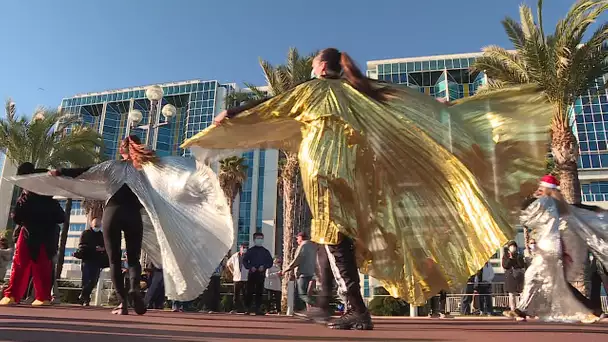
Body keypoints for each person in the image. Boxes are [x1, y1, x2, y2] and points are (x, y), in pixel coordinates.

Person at [181, 47, 554, 329]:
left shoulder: (314, 89)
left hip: (322, 162)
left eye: (312, 65)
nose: (311, 69)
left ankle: (355, 307)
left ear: (320, 68)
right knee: (329, 231)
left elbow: (273, 105)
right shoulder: (355, 91)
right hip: (349, 164)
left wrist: (235, 112)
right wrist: (439, 110)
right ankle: (328, 301)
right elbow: (399, 103)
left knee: (331, 232)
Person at [10, 134, 234, 315]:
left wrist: (58, 172)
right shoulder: (146, 170)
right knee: (134, 258)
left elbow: (83, 172)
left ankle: (122, 304)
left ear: (122, 151)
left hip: (113, 213)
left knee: (115, 259)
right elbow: (172, 181)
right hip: (133, 215)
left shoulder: (110, 166)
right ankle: (135, 288)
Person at [504, 175, 602, 323]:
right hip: (549, 247)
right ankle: (522, 310)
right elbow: (574, 209)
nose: (538, 190)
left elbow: (527, 207)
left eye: (541, 188)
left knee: (535, 276)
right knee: (549, 281)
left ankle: (589, 310)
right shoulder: (554, 203)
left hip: (549, 248)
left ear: (548, 189)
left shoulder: (548, 202)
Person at [0, 163, 65, 306]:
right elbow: (61, 217)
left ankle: (12, 295)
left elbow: (17, 217)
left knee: (19, 264)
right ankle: (43, 297)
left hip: (29, 233)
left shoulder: (26, 198)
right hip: (45, 235)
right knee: (42, 266)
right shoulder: (50, 201)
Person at [75, 217, 108, 306]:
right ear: (91, 224)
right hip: (87, 259)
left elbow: (106, 247)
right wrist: (94, 248)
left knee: (93, 281)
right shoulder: (85, 233)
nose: (97, 227)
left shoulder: (102, 235)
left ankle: (84, 296)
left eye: (99, 225)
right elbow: (82, 246)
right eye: (96, 225)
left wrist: (103, 249)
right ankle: (85, 298)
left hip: (97, 261)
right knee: (86, 280)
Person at [281, 232, 317, 312]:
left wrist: (286, 270)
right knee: (305, 293)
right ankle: (305, 310)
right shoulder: (314, 246)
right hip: (311, 272)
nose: (297, 240)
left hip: (303, 273)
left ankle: (317, 305)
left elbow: (297, 260)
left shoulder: (303, 245)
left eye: (297, 238)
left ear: (301, 237)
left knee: (302, 294)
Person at [243, 232, 273, 315]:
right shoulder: (250, 251)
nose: (259, 240)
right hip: (252, 274)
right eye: (258, 238)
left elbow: (270, 262)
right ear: (254, 240)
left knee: (259, 292)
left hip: (261, 274)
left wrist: (264, 267)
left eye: (261, 238)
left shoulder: (265, 251)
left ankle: (258, 308)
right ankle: (247, 308)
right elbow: (245, 261)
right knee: (249, 291)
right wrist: (250, 267)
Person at [502, 241, 525, 312]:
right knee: (511, 294)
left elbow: (521, 265)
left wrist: (517, 258)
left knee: (521, 293)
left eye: (514, 246)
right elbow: (505, 265)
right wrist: (510, 258)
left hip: (519, 276)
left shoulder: (519, 255)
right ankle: (513, 309)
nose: (513, 248)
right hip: (510, 277)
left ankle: (521, 309)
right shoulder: (505, 256)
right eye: (511, 246)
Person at [227, 244, 249, 314]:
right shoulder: (235, 256)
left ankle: (246, 309)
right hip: (237, 278)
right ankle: (236, 308)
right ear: (240, 248)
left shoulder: (248, 256)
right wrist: (232, 272)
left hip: (245, 278)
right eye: (243, 247)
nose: (244, 249)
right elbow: (228, 264)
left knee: (245, 294)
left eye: (246, 248)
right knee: (236, 294)